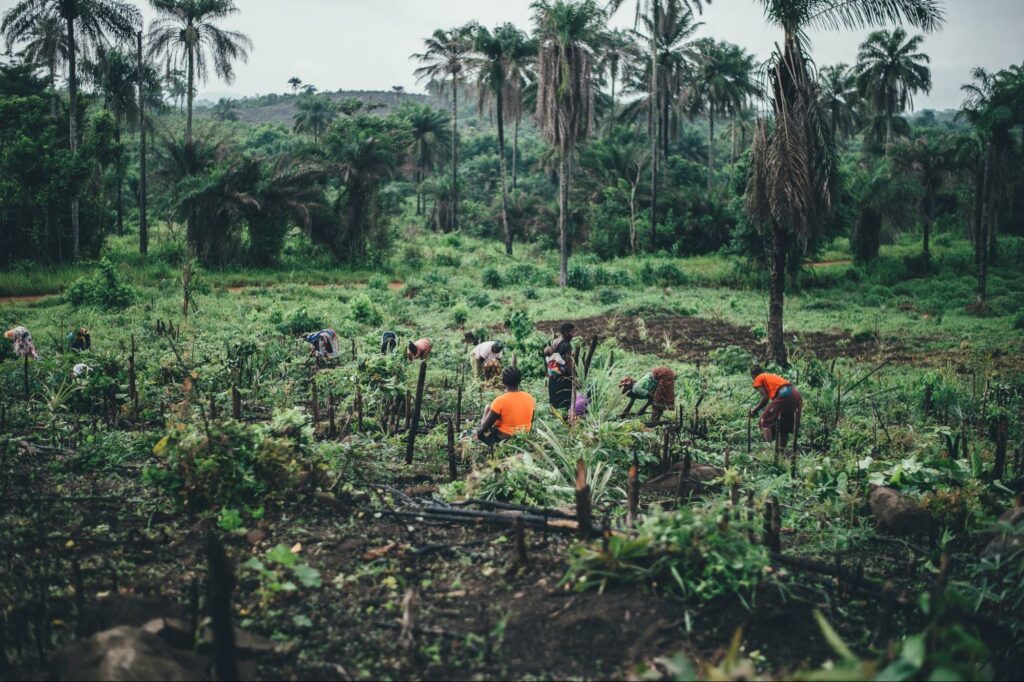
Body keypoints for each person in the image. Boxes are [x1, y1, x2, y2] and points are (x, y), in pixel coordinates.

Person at [477, 366, 535, 446]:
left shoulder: (500, 401)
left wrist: (479, 432)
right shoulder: (530, 398)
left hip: (504, 438)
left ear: (503, 382)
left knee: (480, 432)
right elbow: (531, 421)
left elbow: (485, 427)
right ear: (519, 381)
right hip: (524, 436)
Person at [748, 365, 803, 446]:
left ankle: (769, 449)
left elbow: (765, 398)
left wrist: (754, 410)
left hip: (784, 394)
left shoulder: (758, 378)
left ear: (753, 376)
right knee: (784, 424)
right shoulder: (769, 376)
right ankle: (781, 451)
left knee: (764, 421)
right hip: (795, 394)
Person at [546, 323, 575, 411]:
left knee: (555, 401)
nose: (573, 335)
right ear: (565, 332)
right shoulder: (566, 345)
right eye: (571, 332)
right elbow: (569, 364)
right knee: (565, 403)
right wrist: (574, 378)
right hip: (564, 378)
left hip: (554, 375)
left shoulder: (555, 341)